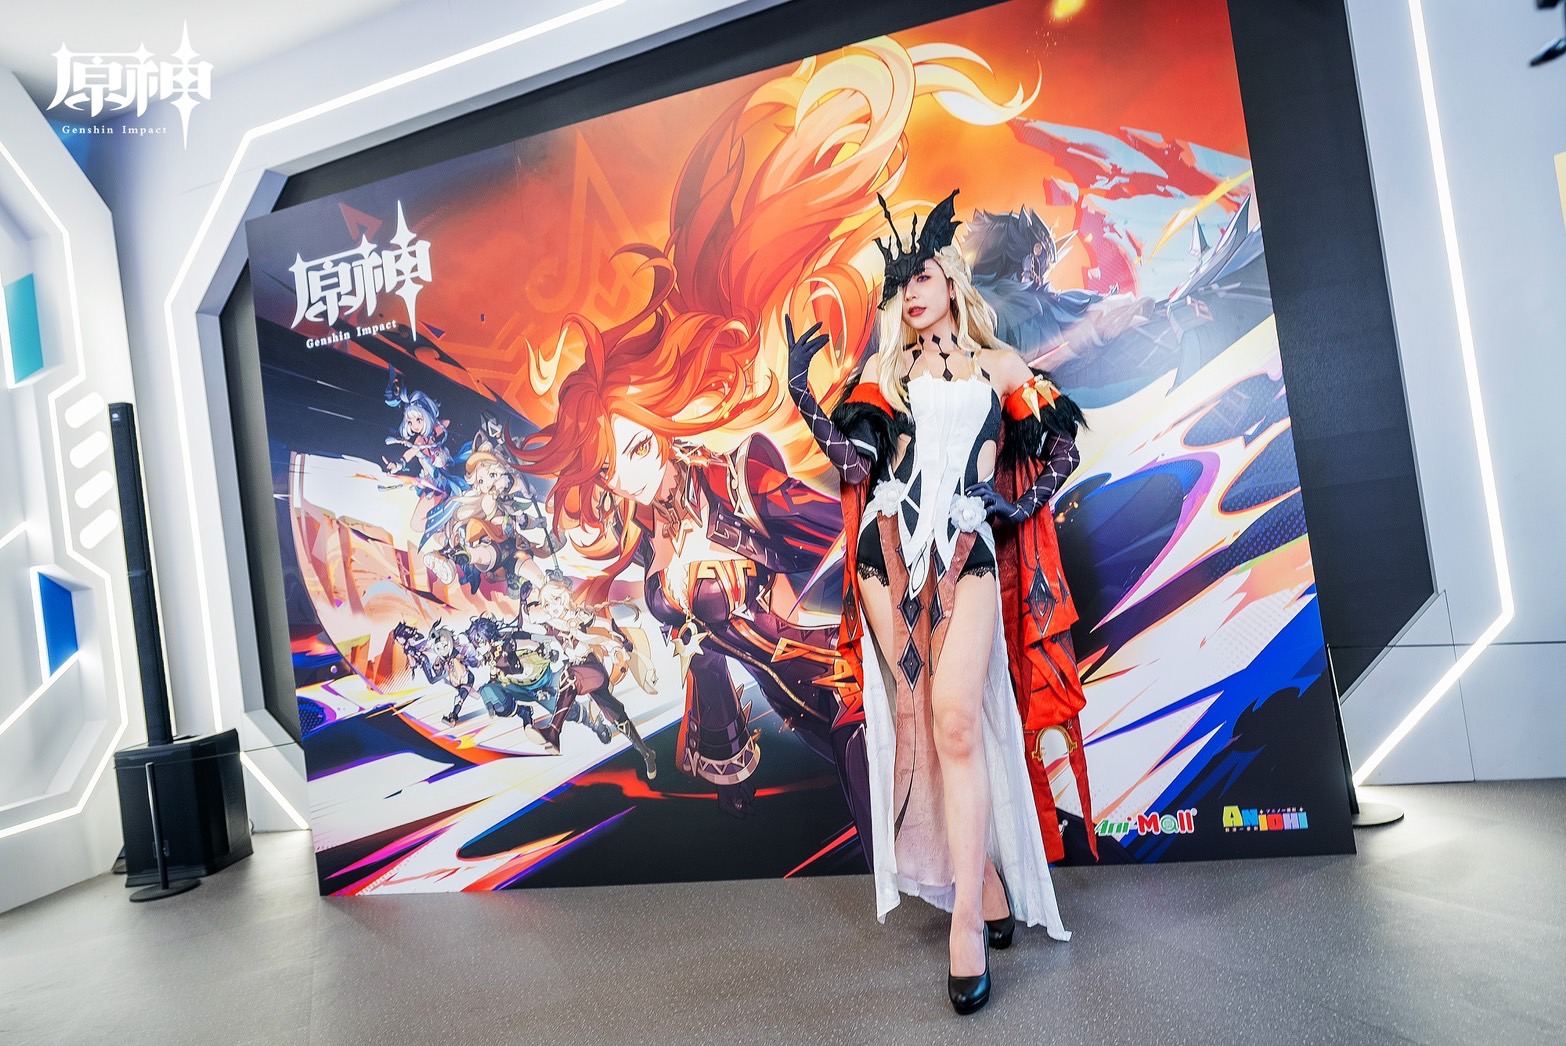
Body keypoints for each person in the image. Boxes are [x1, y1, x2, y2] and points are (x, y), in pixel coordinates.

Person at [786, 189, 1095, 1015]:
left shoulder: (1001, 368)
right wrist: (802, 393)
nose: (910, 293)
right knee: (919, 722)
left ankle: (966, 922)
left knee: (958, 719)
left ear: (951, 279)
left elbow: (1061, 444)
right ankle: (980, 881)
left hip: (969, 553)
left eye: (921, 276)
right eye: (900, 285)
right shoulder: (887, 373)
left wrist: (1020, 505)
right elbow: (857, 467)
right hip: (886, 559)